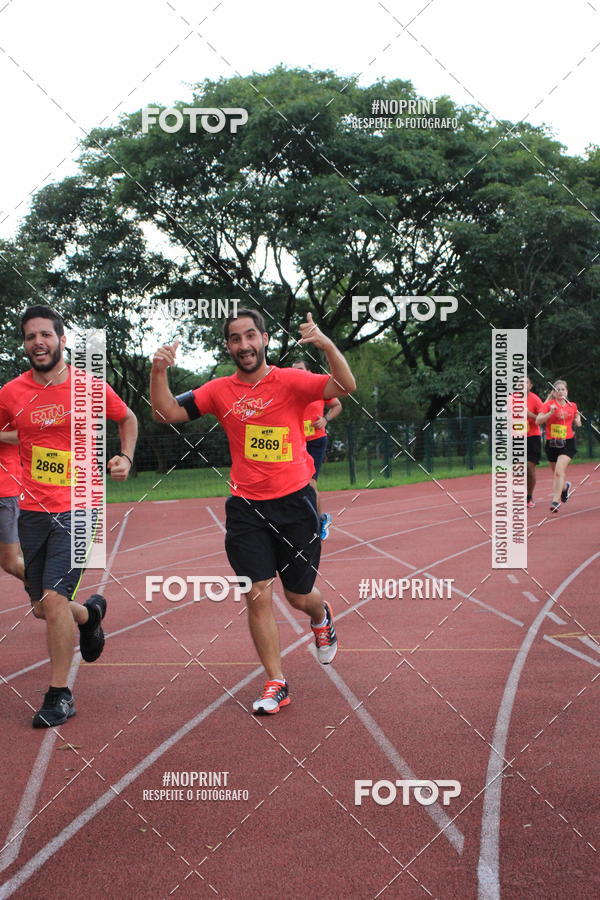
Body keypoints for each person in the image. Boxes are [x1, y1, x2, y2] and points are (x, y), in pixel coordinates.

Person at [151, 308, 356, 715]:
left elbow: (345, 386)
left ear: (263, 339)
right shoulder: (218, 390)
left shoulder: (291, 381)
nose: (243, 345)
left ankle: (322, 616)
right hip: (246, 508)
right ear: (227, 346)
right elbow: (165, 413)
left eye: (250, 336)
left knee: (298, 596)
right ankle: (275, 681)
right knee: (257, 594)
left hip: (296, 505)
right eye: (234, 338)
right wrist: (159, 371)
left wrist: (326, 343)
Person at [0, 305, 138, 728]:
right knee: (45, 608)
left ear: (61, 339)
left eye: (45, 334)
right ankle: (90, 615)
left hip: (81, 507)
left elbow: (127, 417)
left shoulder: (89, 387)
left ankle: (60, 694)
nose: (38, 342)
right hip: (32, 509)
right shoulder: (11, 393)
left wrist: (125, 457)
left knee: (55, 600)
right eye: (30, 336)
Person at [292, 360, 342, 539]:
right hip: (296, 442)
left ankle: (319, 521)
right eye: (293, 370)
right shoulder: (290, 390)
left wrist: (325, 419)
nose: (296, 373)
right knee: (294, 485)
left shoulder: (317, 387)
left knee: (310, 484)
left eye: (300, 370)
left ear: (308, 371)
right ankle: (307, 521)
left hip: (316, 441)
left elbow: (337, 405)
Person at [536, 379, 581, 513]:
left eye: (563, 389)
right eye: (558, 390)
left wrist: (578, 420)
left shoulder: (572, 405)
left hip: (568, 442)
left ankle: (555, 502)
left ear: (567, 392)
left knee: (558, 472)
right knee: (556, 473)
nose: (560, 392)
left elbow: (577, 416)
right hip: (552, 443)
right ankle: (564, 488)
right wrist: (550, 413)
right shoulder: (548, 405)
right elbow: (538, 421)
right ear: (554, 393)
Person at [0, 428, 25, 581]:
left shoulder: (8, 404)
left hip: (5, 491)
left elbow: (26, 433)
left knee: (11, 562)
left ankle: (62, 603)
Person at [524, 375, 543, 508]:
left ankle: (529, 497)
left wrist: (529, 414)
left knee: (530, 469)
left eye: (525, 383)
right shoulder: (511, 399)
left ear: (530, 385)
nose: (522, 385)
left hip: (532, 438)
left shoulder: (536, 400)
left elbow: (542, 419)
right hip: (516, 437)